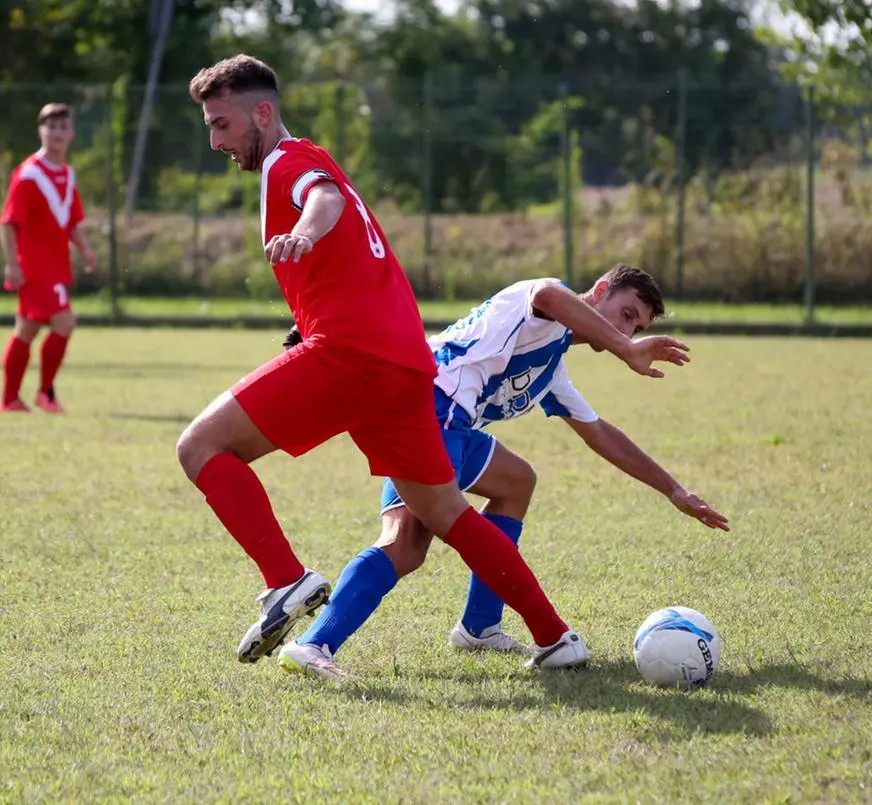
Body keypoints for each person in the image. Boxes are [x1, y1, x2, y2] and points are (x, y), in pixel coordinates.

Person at [178, 54, 692, 670]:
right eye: (210, 126)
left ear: (262, 112)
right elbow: (354, 246)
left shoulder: (292, 164)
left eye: (223, 124)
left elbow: (322, 202)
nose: (216, 140)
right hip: (403, 365)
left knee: (199, 448)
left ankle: (285, 579)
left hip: (352, 355)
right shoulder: (312, 156)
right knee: (443, 515)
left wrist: (307, 234)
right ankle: (555, 637)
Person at [280, 265, 730, 681]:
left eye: (638, 327)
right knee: (406, 546)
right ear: (598, 292)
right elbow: (548, 293)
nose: (627, 329)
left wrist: (674, 490)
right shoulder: (539, 303)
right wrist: (626, 348)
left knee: (516, 482)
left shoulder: (551, 361)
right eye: (626, 313)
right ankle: (314, 643)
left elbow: (599, 434)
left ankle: (479, 626)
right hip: (427, 407)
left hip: (443, 420)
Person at [1, 103, 97, 413]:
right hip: (35, 267)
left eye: (62, 126)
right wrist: (12, 263)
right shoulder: (28, 174)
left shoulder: (67, 174)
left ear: (71, 133)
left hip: (56, 266)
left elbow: (71, 222)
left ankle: (10, 399)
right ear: (40, 130)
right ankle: (46, 393)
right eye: (50, 126)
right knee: (65, 323)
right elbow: (8, 222)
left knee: (26, 330)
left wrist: (86, 249)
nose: (57, 132)